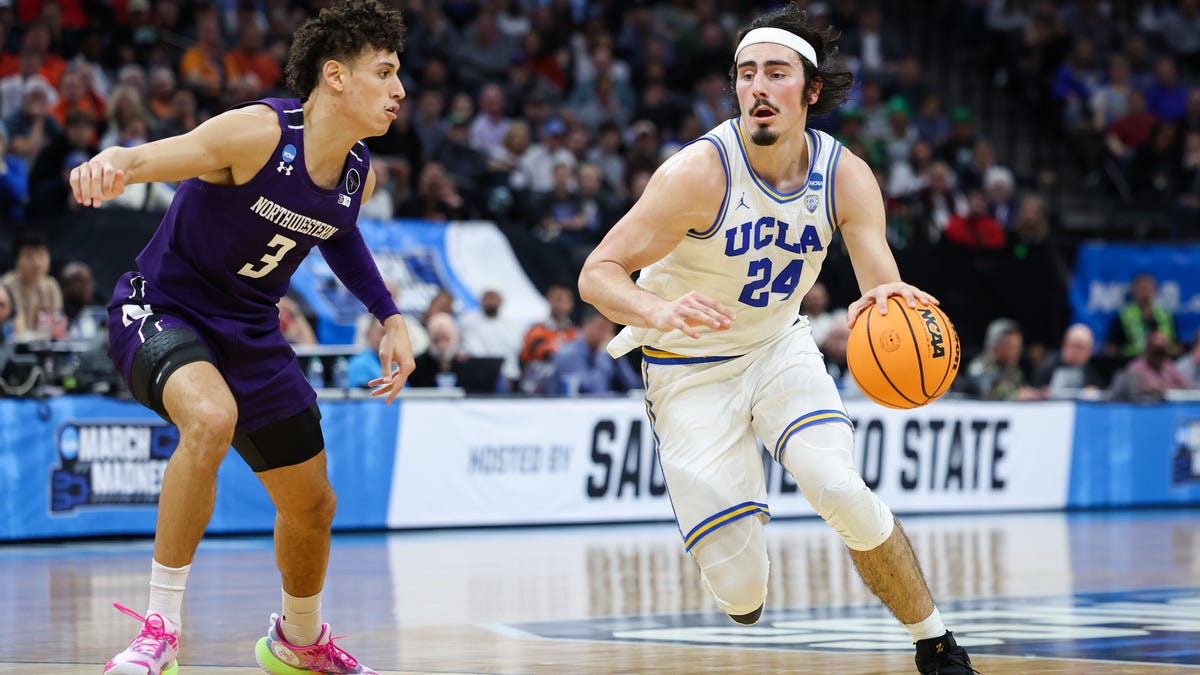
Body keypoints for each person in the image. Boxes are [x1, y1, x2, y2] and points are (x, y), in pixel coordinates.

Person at [577, 7, 974, 674]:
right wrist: (659, 306)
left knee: (838, 486)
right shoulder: (698, 174)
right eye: (746, 74)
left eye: (776, 73)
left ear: (810, 90)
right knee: (742, 589)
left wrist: (890, 301)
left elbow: (880, 282)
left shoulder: (845, 175)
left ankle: (936, 643)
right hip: (687, 368)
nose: (758, 87)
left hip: (777, 348)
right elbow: (597, 272)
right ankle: (741, 571)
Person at [68, 2, 414, 674]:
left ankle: (298, 641)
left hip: (250, 332)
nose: (400, 89)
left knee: (313, 503)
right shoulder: (257, 133)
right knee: (210, 417)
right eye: (386, 71)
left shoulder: (357, 173)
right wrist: (112, 161)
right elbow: (158, 156)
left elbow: (338, 232)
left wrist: (389, 314)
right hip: (162, 307)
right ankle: (160, 630)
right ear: (336, 77)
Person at [551, 306, 640, 396]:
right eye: (602, 328)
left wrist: (618, 354)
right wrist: (603, 355)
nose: (607, 334)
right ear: (585, 325)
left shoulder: (607, 350)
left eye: (610, 329)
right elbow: (594, 390)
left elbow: (633, 386)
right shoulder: (569, 354)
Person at [1105, 272, 1179, 359]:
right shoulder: (1122, 317)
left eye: (1149, 289)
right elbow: (1111, 349)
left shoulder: (1166, 316)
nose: (1146, 294)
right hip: (1131, 365)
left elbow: (1177, 347)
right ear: (1134, 290)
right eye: (1142, 289)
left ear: (1155, 290)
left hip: (1162, 364)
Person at [1033, 323, 1106, 399]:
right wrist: (1041, 392)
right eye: (1075, 346)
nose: (1077, 352)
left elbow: (1101, 390)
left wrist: (1094, 391)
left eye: (1082, 348)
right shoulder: (1048, 365)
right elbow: (1036, 390)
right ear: (1064, 345)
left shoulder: (1088, 369)